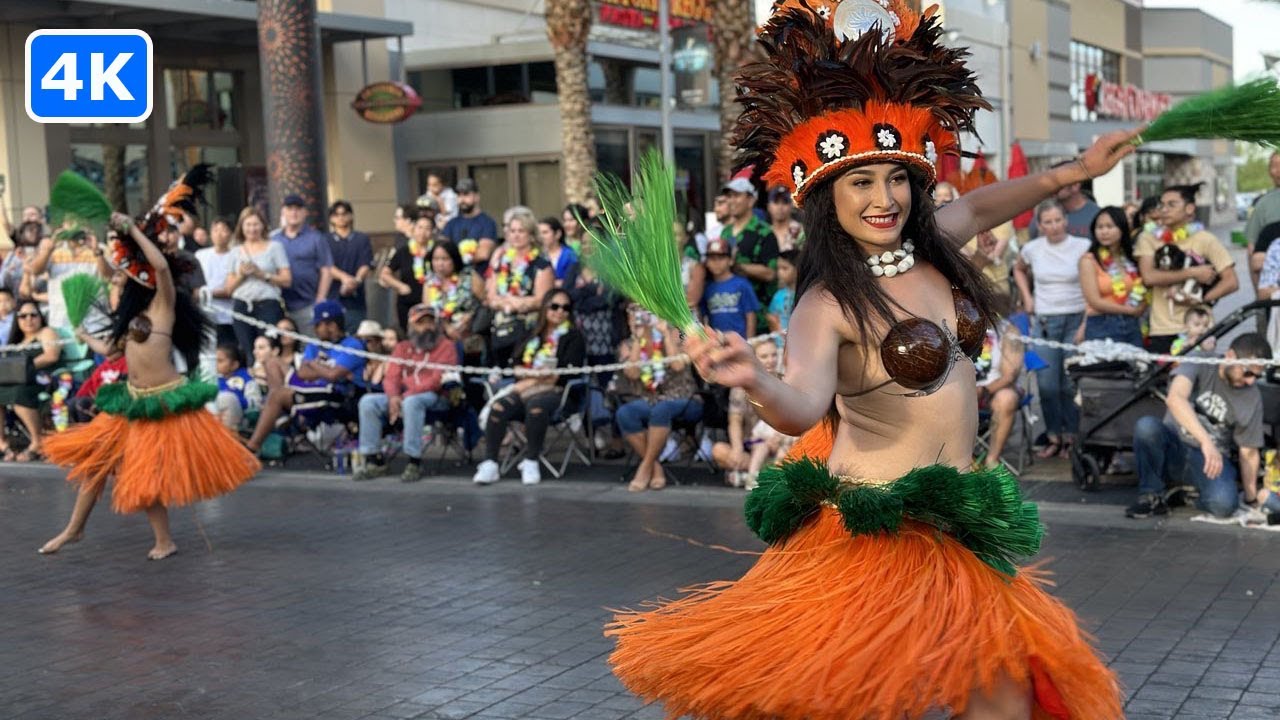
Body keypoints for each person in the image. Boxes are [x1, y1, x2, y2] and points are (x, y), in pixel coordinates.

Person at [607, 4, 1130, 717]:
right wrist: (754, 379)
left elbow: (980, 210)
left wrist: (1075, 171)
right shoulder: (827, 305)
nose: (884, 198)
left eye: (897, 178)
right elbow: (798, 411)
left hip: (955, 525)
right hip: (871, 533)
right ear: (827, 196)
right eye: (861, 182)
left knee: (1003, 702)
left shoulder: (936, 245)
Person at [42, 196, 259, 560]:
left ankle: (164, 541)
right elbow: (112, 352)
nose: (133, 277)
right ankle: (74, 528)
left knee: (147, 476)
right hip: (131, 400)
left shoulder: (164, 302)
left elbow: (158, 264)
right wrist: (84, 335)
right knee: (94, 463)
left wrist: (131, 230)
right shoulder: (133, 316)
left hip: (162, 401)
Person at [1127, 333, 1271, 519]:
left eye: (1257, 376)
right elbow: (1175, 398)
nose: (1251, 381)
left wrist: (1251, 498)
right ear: (1230, 356)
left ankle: (1187, 496)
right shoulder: (1201, 361)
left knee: (1224, 505)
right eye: (1248, 372)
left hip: (1212, 461)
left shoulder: (1252, 396)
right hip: (1175, 443)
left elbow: (1248, 451)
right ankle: (1150, 495)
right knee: (1146, 427)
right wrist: (1206, 442)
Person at [473, 290, 586, 486]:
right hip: (525, 389)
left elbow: (563, 373)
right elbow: (516, 366)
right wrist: (536, 377)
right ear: (545, 308)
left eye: (565, 308)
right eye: (554, 306)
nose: (560, 312)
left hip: (559, 393)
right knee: (499, 406)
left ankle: (531, 460)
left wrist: (531, 379)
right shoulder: (531, 333)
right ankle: (490, 462)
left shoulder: (573, 337)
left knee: (536, 407)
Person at [1014, 199, 1091, 459]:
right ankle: (1054, 436)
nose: (1054, 226)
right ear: (1040, 225)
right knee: (1046, 384)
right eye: (1048, 222)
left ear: (1066, 221)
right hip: (1046, 321)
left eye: (1058, 220)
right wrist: (1028, 297)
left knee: (1071, 383)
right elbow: (1018, 269)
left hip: (1076, 319)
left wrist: (1086, 321)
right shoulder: (1032, 249)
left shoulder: (1083, 247)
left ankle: (1073, 436)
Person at [243, 301, 367, 455]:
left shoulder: (352, 345)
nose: (315, 329)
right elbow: (302, 372)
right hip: (311, 389)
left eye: (318, 325)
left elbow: (333, 375)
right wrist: (324, 368)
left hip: (336, 395)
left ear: (332, 325)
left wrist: (313, 365)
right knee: (272, 362)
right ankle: (280, 413)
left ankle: (251, 449)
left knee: (277, 395)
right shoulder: (315, 345)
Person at [355, 304, 459, 483]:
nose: (426, 327)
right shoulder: (403, 347)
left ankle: (414, 461)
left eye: (430, 322)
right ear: (411, 326)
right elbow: (391, 376)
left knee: (412, 402)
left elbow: (436, 380)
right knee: (368, 402)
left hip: (436, 396)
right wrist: (394, 396)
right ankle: (373, 460)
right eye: (420, 323)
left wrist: (405, 395)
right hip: (404, 396)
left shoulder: (446, 346)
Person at [1134, 183, 1238, 355]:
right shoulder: (1148, 238)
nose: (1164, 210)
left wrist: (1201, 299)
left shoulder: (1205, 239)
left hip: (1199, 329)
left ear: (1189, 208)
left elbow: (1231, 281)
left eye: (1171, 205)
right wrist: (1194, 272)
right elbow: (1149, 277)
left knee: (1198, 379)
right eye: (1162, 205)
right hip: (1162, 328)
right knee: (1162, 380)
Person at [612, 307, 701, 493]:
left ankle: (644, 468)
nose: (641, 315)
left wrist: (665, 333)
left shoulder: (681, 335)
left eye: (645, 310)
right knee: (625, 413)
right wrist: (638, 339)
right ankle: (655, 467)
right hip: (650, 399)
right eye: (635, 311)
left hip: (685, 399)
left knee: (662, 409)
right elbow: (633, 373)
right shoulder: (627, 344)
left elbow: (677, 365)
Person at [484, 210, 553, 367]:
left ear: (531, 235)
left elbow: (542, 299)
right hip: (501, 330)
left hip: (529, 330)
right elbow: (491, 296)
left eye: (521, 231)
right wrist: (507, 303)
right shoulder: (502, 261)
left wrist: (516, 303)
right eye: (512, 231)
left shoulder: (541, 265)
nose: (516, 235)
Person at [712, 339, 781, 487]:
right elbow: (735, 421)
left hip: (779, 444)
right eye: (764, 356)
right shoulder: (741, 386)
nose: (770, 360)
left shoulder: (785, 381)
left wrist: (778, 438)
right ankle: (761, 473)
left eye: (774, 355)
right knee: (719, 450)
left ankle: (750, 475)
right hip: (752, 444)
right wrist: (737, 448)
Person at [0, 300, 60, 462]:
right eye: (23, 316)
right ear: (17, 320)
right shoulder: (16, 343)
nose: (28, 319)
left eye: (33, 315)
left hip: (43, 380)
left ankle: (37, 441)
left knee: (18, 393)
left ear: (40, 317)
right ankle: (3, 444)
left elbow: (51, 355)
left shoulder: (46, 333)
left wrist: (22, 367)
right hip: (17, 380)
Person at [226, 207, 292, 355]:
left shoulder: (275, 247)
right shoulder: (235, 251)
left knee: (269, 347)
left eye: (255, 224)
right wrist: (242, 275)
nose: (252, 229)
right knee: (247, 351)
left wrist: (262, 274)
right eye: (248, 225)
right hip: (242, 305)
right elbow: (229, 288)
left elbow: (287, 280)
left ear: (262, 225)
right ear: (242, 227)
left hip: (267, 304)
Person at [1078, 206, 1147, 347]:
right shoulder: (1088, 260)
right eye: (1100, 227)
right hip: (1101, 325)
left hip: (1131, 324)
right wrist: (1130, 310)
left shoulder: (1130, 259)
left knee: (1136, 367)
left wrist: (1141, 306)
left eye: (1110, 226)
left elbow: (1142, 287)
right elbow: (1094, 301)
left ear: (1122, 228)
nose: (1104, 232)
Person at [720, 177, 779, 326]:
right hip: (727, 314)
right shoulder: (725, 233)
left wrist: (737, 266)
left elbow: (770, 273)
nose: (732, 201)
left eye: (737, 196)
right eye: (729, 196)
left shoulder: (764, 233)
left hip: (758, 316)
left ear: (751, 200)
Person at [27, 225, 113, 328]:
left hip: (96, 320)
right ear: (63, 225)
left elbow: (109, 276)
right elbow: (35, 271)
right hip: (61, 321)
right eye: (70, 221)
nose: (74, 225)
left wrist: (96, 251)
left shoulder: (100, 248)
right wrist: (48, 250)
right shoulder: (53, 248)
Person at [272, 193, 334, 334]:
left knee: (309, 348)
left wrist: (320, 298)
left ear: (305, 212)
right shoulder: (274, 239)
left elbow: (326, 270)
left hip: (308, 304)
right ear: (283, 212)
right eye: (290, 208)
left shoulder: (316, 238)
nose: (294, 212)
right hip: (279, 304)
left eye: (298, 209)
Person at [975, 322, 1026, 471]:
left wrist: (983, 391)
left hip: (994, 389)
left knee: (1007, 399)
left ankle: (992, 459)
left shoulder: (1008, 330)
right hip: (960, 389)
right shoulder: (952, 324)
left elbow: (1009, 375)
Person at [380, 210, 434, 330]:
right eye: (420, 227)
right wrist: (400, 286)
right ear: (414, 229)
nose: (423, 232)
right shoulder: (404, 251)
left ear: (432, 232)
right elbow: (385, 274)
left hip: (431, 303)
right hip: (407, 304)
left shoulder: (436, 251)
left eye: (427, 228)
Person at [325, 200, 373, 333]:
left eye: (344, 214)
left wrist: (356, 281)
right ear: (331, 218)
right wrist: (344, 278)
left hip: (356, 299)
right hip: (333, 296)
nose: (341, 217)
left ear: (351, 216)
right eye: (336, 214)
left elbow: (366, 264)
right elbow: (326, 265)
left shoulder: (361, 238)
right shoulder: (325, 240)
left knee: (356, 334)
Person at [700, 237, 759, 339]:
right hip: (718, 342)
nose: (716, 262)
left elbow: (750, 315)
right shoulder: (706, 288)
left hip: (741, 341)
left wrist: (750, 342)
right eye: (712, 259)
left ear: (731, 260)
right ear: (707, 262)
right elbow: (704, 318)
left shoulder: (742, 284)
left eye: (721, 258)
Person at [1027, 159, 1101, 238]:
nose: (1052, 187)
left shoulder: (1097, 216)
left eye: (1057, 182)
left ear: (1075, 185)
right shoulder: (1044, 216)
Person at [421, 240, 479, 342]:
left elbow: (486, 303)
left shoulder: (469, 277)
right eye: (436, 259)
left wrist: (470, 316)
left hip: (470, 336)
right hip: (439, 339)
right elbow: (429, 313)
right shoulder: (429, 284)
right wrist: (447, 327)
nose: (440, 263)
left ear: (454, 259)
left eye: (445, 259)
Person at [195, 217, 238, 347]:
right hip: (204, 313)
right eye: (215, 230)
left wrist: (209, 293)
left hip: (228, 315)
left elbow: (231, 289)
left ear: (231, 234)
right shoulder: (200, 255)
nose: (219, 234)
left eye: (223, 230)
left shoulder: (236, 255)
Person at [441, 178, 498, 271]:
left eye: (466, 195)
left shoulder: (487, 223)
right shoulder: (451, 224)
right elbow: (442, 251)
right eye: (459, 195)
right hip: (454, 278)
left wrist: (455, 260)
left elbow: (483, 254)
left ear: (477, 197)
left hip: (479, 278)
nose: (462, 199)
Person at [1246, 153, 1280, 290]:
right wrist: (1260, 299)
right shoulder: (1263, 204)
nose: (1278, 170)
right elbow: (1252, 253)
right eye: (1274, 166)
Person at [214, 342, 259, 432]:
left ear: (234, 365)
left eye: (220, 361)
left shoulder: (246, 378)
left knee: (227, 398)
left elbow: (255, 403)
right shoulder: (213, 379)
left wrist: (236, 399)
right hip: (215, 417)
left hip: (240, 420)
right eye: (214, 361)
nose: (215, 364)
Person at [537, 216, 579, 288]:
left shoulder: (570, 254)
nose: (541, 236)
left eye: (545, 232)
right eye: (539, 233)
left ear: (557, 234)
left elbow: (569, 281)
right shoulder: (538, 255)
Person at [766, 249, 797, 337]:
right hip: (781, 344)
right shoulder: (778, 295)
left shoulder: (806, 296)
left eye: (784, 268)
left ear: (798, 269)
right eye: (778, 268)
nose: (779, 272)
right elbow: (771, 317)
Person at [767, 186, 803, 251]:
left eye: (785, 202)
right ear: (769, 206)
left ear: (791, 206)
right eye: (776, 202)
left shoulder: (801, 231)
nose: (780, 207)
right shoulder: (764, 232)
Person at [355, 320, 388, 391]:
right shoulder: (357, 362)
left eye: (368, 341)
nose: (363, 344)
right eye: (360, 340)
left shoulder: (388, 362)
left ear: (379, 342)